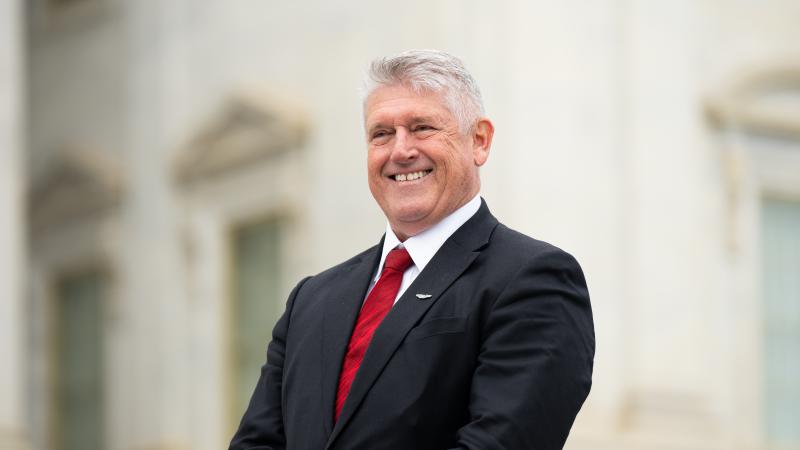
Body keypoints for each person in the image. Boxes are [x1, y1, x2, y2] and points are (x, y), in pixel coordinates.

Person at [229, 49, 595, 450]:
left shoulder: (533, 279)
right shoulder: (311, 300)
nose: (400, 151)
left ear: (479, 140)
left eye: (422, 128)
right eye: (381, 134)